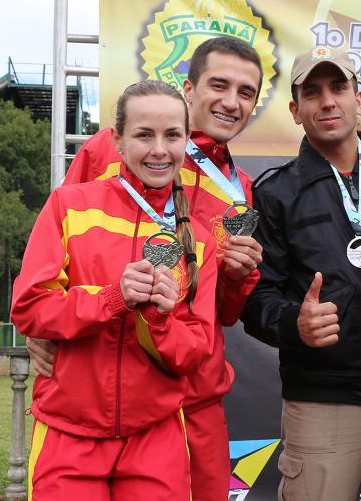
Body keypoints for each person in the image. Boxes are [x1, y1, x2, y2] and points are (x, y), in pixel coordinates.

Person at [26, 36, 265, 501]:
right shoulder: (106, 149)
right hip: (101, 396)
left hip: (195, 395)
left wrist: (239, 277)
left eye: (246, 92)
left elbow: (223, 312)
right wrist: (36, 330)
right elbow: (54, 249)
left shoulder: (241, 191)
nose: (231, 102)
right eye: (220, 85)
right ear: (190, 89)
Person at [11, 80, 219, 499]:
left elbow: (195, 350)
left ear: (185, 142)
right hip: (69, 435)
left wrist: (159, 321)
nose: (159, 149)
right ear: (118, 141)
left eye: (172, 135)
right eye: (144, 134)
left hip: (155, 435)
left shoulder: (198, 238)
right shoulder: (69, 206)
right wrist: (111, 299)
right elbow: (30, 308)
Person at [241, 48, 361, 500]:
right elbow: (256, 297)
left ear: (358, 99)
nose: (327, 102)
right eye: (312, 92)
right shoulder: (275, 193)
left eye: (338, 88)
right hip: (323, 402)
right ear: (295, 110)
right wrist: (293, 325)